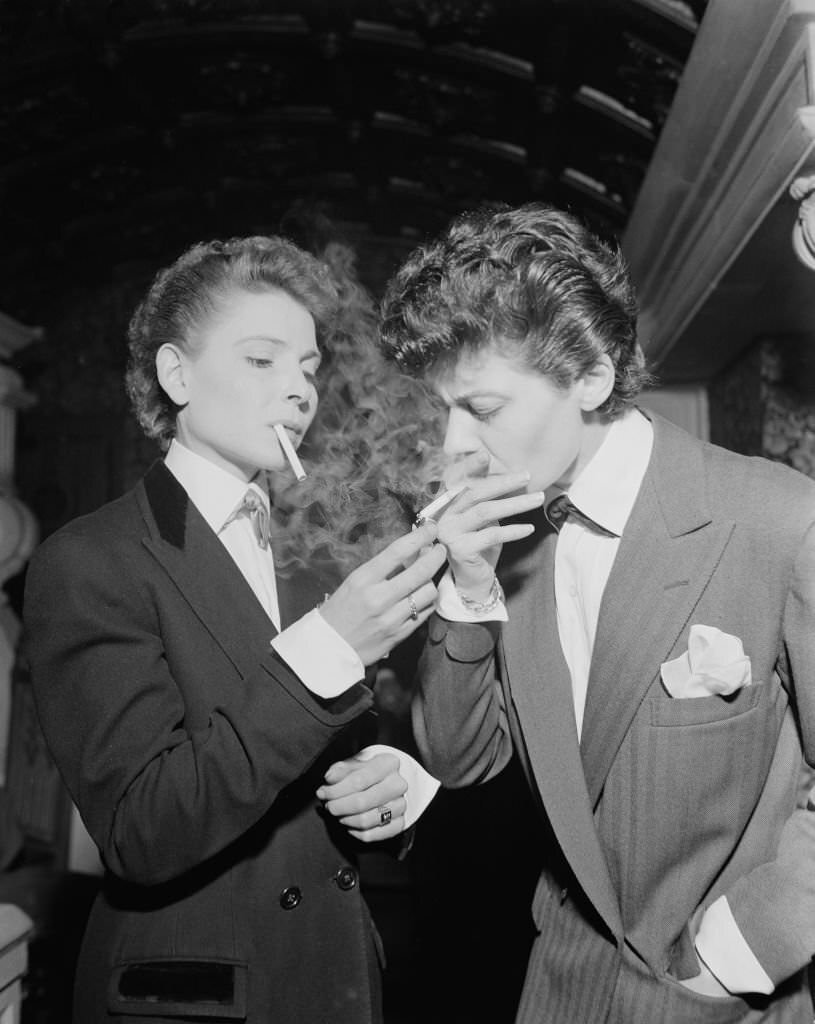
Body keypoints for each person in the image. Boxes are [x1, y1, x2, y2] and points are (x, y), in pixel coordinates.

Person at [378, 201, 815, 1023]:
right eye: (442, 411)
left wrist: (738, 954)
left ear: (590, 377)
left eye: (482, 408)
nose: (450, 447)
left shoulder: (778, 521)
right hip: (557, 990)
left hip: (723, 997)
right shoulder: (510, 546)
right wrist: (466, 585)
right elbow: (460, 760)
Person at [22, 234, 446, 1024]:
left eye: (309, 368)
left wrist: (391, 783)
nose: (299, 391)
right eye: (262, 360)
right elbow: (143, 830)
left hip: (336, 982)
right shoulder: (91, 561)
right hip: (198, 998)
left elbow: (318, 764)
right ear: (176, 374)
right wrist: (328, 650)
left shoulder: (313, 561)